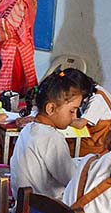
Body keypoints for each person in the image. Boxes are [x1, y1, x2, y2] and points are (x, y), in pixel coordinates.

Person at [9, 70, 82, 201]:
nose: (75, 117)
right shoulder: (52, 138)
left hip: (24, 205)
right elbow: (72, 180)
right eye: (72, 110)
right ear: (51, 109)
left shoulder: (29, 129)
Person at [66, 69, 111, 157]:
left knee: (62, 149)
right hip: (87, 136)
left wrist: (58, 119)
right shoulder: (90, 89)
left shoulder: (97, 99)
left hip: (97, 143)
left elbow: (80, 124)